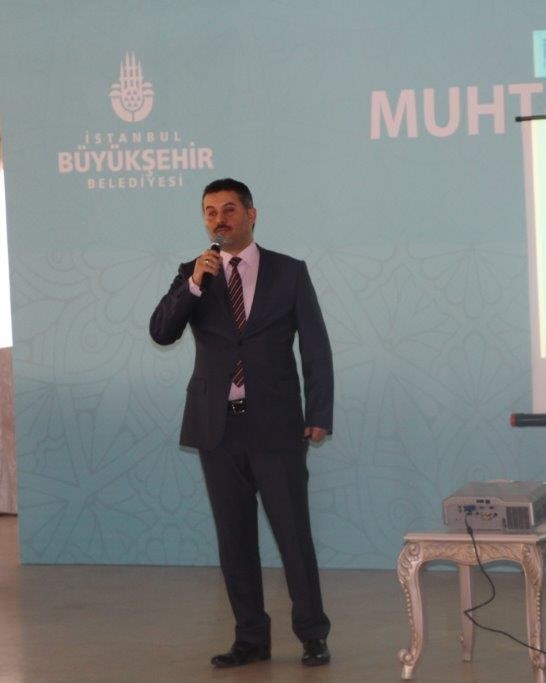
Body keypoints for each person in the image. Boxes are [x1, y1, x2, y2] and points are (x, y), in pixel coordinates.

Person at [149, 177, 333, 668]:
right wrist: (193, 285)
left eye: (229, 209)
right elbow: (161, 331)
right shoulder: (194, 274)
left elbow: (315, 345)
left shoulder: (289, 272)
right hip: (217, 427)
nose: (219, 219)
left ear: (251, 215)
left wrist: (319, 412)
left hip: (276, 425)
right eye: (210, 212)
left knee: (293, 535)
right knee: (234, 540)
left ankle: (312, 634)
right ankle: (250, 638)